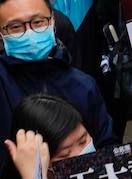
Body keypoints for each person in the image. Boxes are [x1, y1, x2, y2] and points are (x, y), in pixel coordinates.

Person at [0, 0, 114, 168]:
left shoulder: (83, 85)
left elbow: (107, 145)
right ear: (1, 33)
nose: (29, 33)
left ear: (52, 20)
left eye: (38, 22)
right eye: (16, 27)